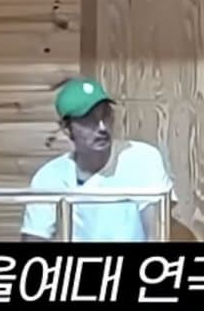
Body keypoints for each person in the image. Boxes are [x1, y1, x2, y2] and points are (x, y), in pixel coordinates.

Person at [21, 77, 174, 243]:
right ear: (67, 128)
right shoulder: (49, 177)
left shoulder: (143, 158)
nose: (102, 127)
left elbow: (158, 231)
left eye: (106, 115)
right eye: (89, 119)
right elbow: (35, 237)